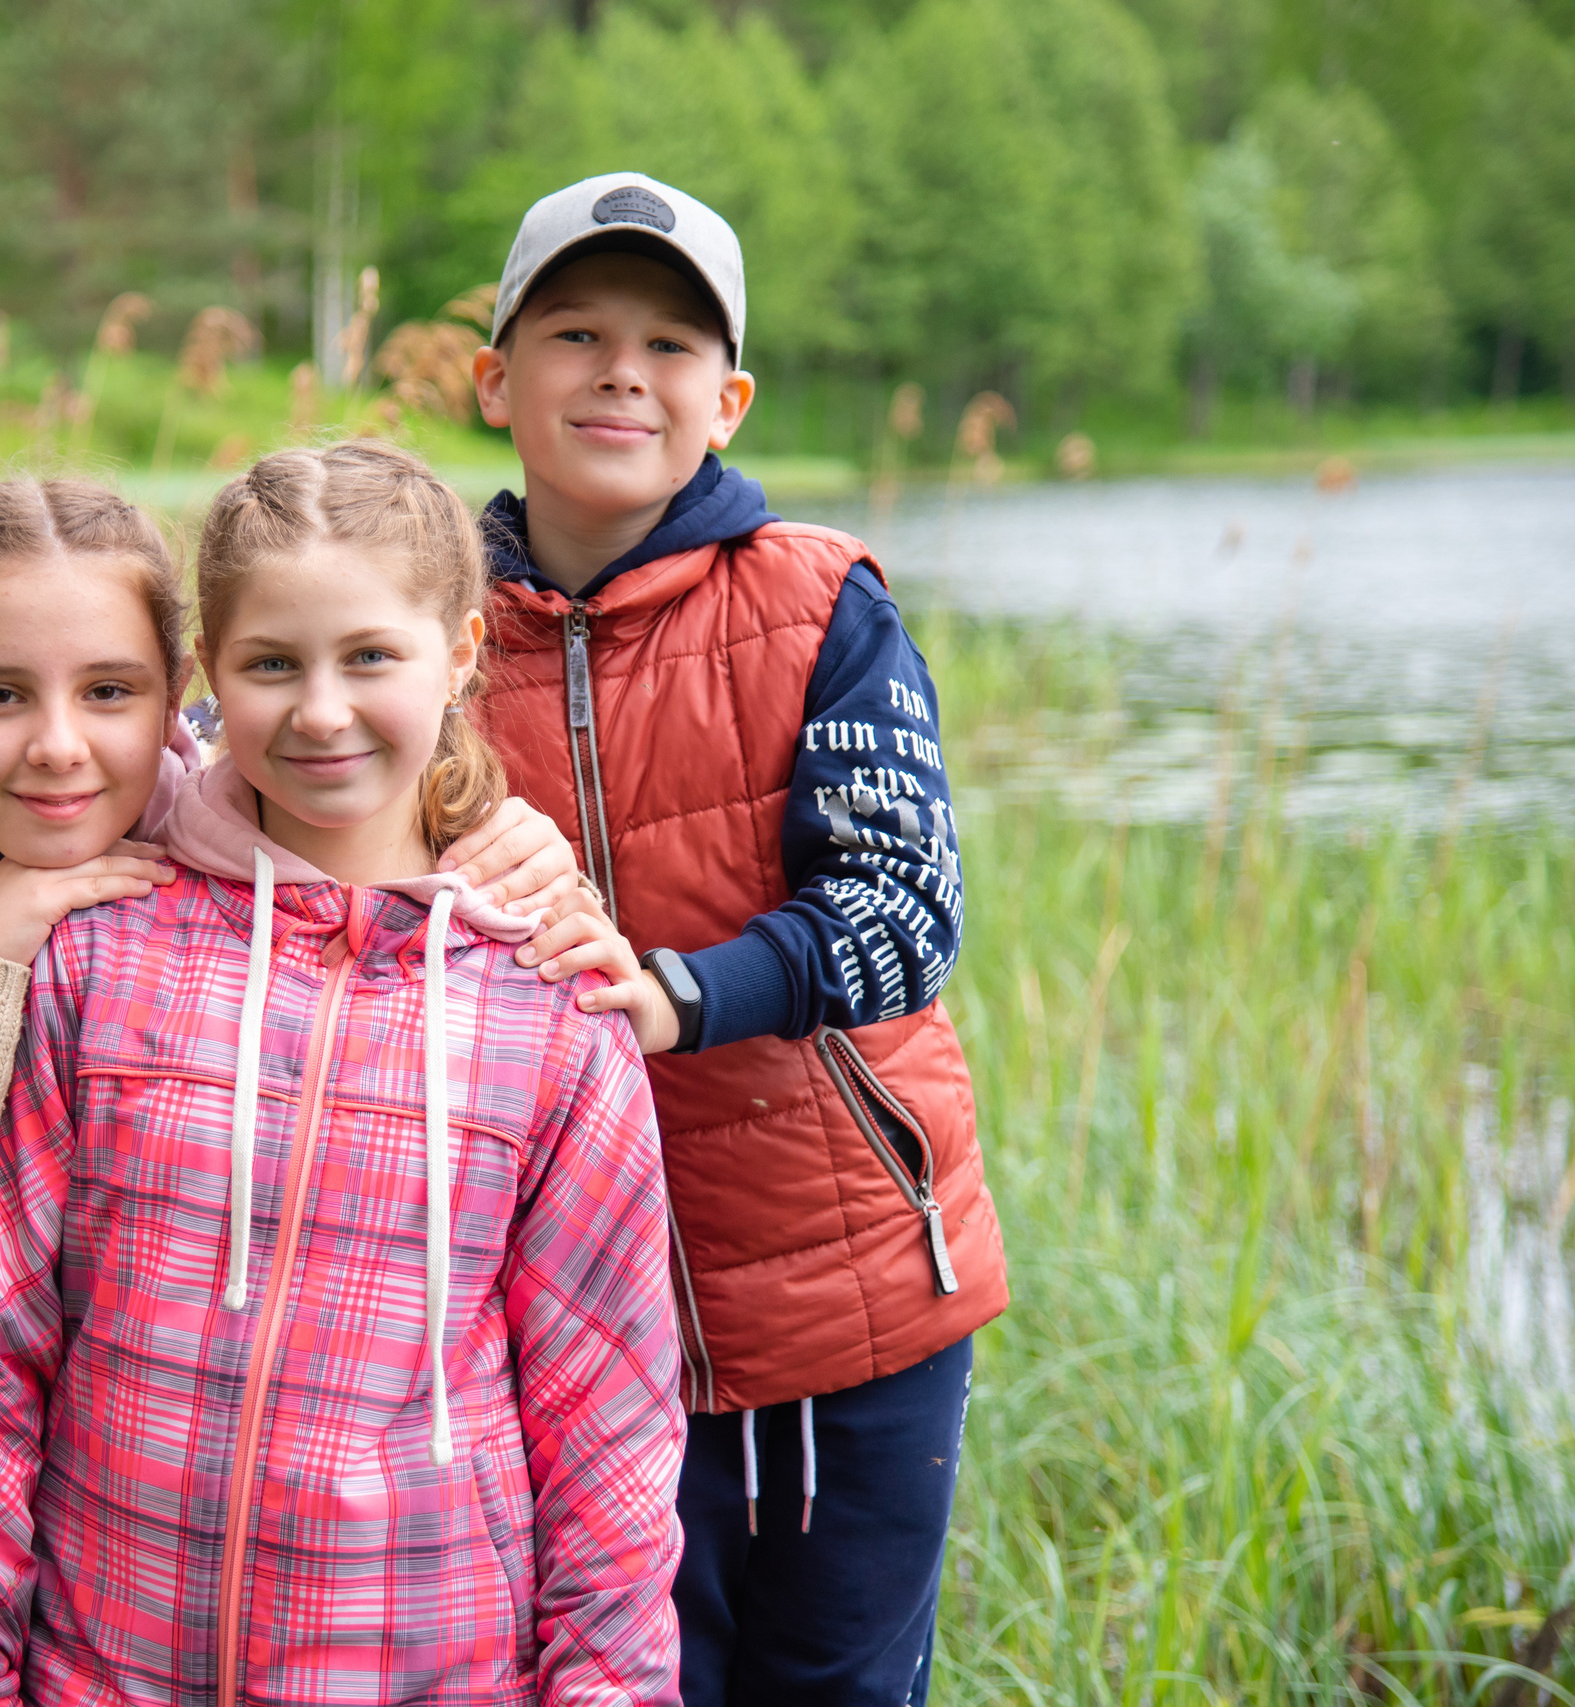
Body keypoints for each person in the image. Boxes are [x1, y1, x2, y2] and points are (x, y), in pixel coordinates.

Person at [0, 477, 591, 1707]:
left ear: (179, 702)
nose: (58, 743)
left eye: (109, 691)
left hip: (82, 1632)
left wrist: (519, 855)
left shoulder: (180, 873)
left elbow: (357, 760)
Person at [0, 442, 685, 1707]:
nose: (319, 712)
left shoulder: (551, 1006)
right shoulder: (97, 957)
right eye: (270, 665)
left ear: (462, 654)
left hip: (430, 1669)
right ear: (207, 679)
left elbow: (611, 1439)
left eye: (370, 657)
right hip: (104, 1674)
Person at [463, 174, 1012, 1707]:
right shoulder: (421, 624)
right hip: (562, 1317)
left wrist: (678, 993)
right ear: (496, 379)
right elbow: (187, 760)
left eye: (669, 342)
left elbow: (905, 907)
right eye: (573, 331)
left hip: (835, 1296)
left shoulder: (817, 599)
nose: (622, 369)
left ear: (730, 398)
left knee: (828, 1685)